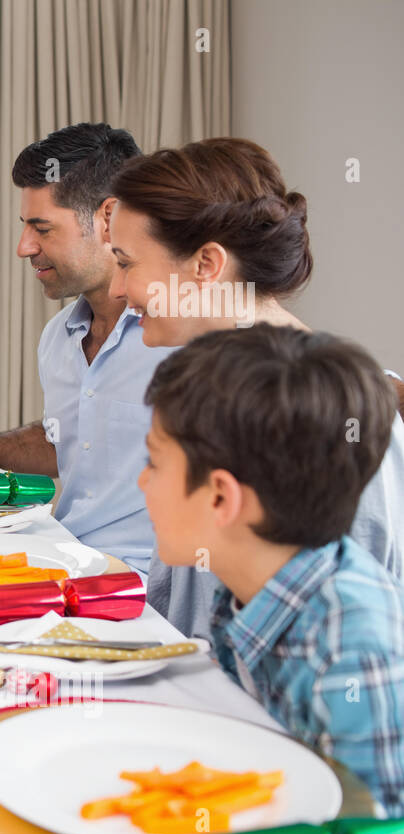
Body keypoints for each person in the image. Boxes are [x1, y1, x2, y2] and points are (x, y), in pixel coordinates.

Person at [109, 137, 404, 638]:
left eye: (126, 262)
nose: (116, 290)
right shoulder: (206, 389)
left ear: (206, 264)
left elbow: (355, 633)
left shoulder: (321, 410)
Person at [141, 326, 404, 816]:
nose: (141, 482)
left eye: (153, 464)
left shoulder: (350, 652)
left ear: (221, 497)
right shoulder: (245, 583)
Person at [0, 123, 170, 573]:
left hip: (141, 587)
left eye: (41, 228)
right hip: (65, 556)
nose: (23, 247)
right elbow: (67, 444)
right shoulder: (58, 337)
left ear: (109, 219)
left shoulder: (175, 338)